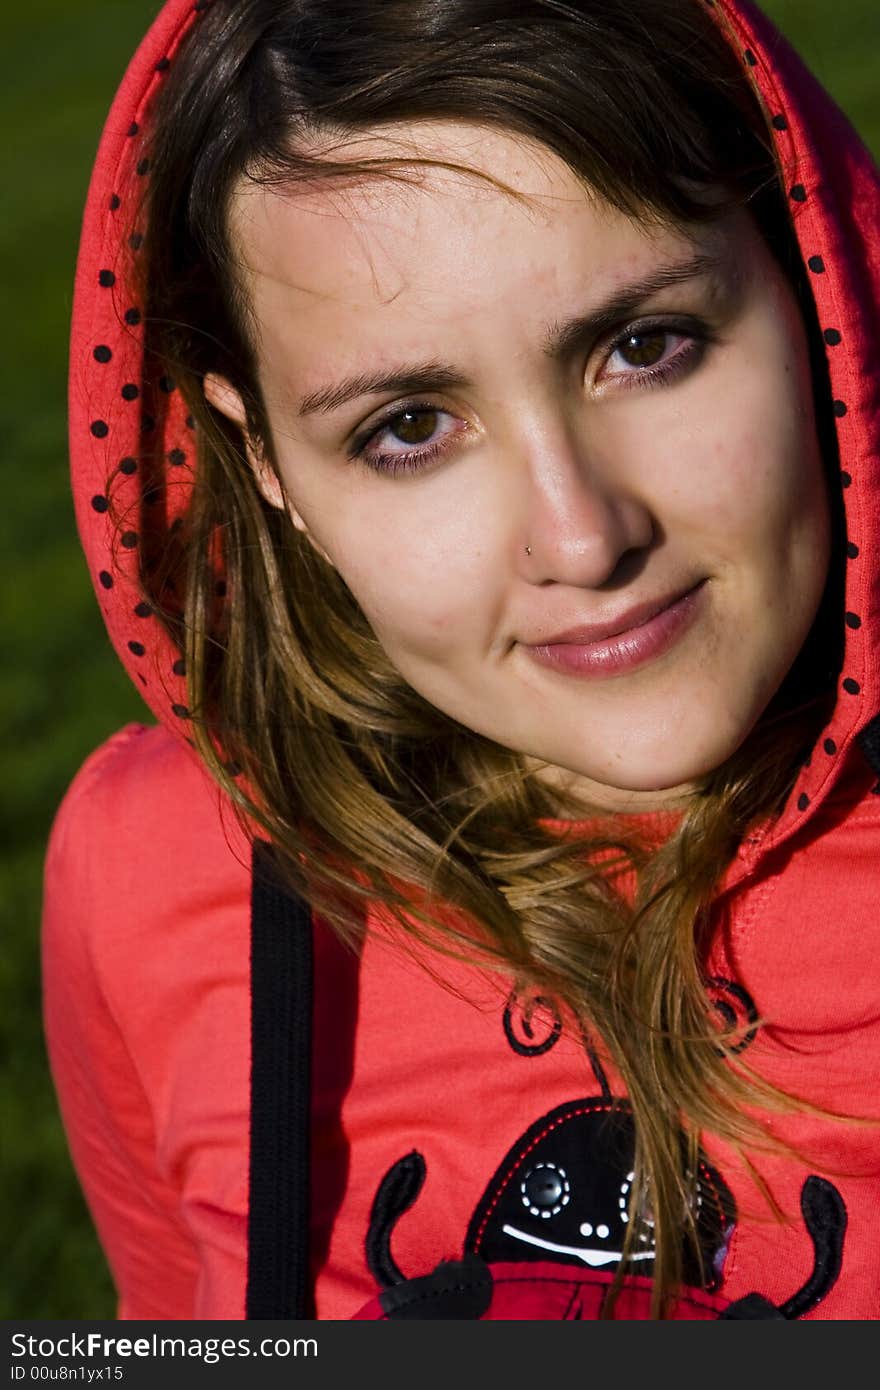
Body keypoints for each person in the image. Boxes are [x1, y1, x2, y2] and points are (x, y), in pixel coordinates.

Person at [44, 0, 880, 1321]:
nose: (583, 535)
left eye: (644, 344)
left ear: (817, 287)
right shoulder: (148, 871)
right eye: (411, 425)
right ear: (266, 464)